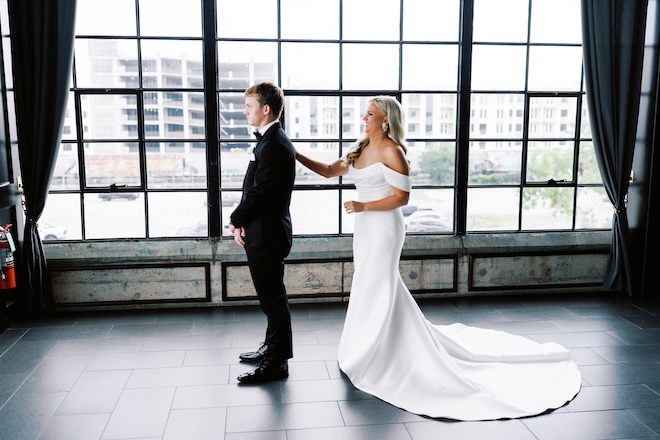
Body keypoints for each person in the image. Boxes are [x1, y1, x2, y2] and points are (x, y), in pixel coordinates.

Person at [294, 95, 582, 420]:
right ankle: (366, 345)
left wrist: (363, 206)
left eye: (370, 114)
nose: (365, 118)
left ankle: (379, 351)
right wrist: (295, 153)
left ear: (385, 119)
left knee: (379, 281)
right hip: (365, 228)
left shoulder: (393, 152)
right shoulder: (361, 148)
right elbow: (330, 171)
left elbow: (402, 197)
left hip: (384, 227)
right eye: (366, 113)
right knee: (367, 281)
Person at [229, 82, 296, 384]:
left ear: (265, 108)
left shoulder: (275, 144)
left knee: (273, 300)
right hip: (261, 231)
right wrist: (244, 222)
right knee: (270, 299)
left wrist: (235, 218)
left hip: (268, 235)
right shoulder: (268, 141)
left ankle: (277, 363)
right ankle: (272, 347)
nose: (245, 111)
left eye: (249, 106)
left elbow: (261, 193)